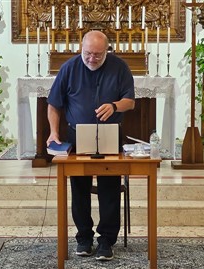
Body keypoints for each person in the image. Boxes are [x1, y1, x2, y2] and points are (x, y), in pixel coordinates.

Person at [46, 30, 135, 261]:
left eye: (97, 54)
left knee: (109, 189)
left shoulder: (120, 67)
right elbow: (54, 103)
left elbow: (130, 101)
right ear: (81, 49)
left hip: (110, 135)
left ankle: (106, 240)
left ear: (107, 50)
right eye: (87, 53)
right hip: (78, 136)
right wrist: (54, 132)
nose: (91, 59)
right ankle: (84, 237)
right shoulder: (69, 68)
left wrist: (114, 106)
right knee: (79, 188)